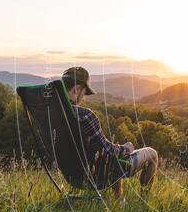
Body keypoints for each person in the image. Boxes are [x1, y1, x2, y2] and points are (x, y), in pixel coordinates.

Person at [61, 66, 158, 198]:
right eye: (84, 92)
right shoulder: (85, 115)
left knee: (110, 159)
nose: (83, 98)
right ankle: (144, 199)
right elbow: (107, 150)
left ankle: (119, 201)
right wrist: (126, 148)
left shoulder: (51, 116)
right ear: (77, 89)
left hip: (72, 176)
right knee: (151, 154)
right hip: (97, 175)